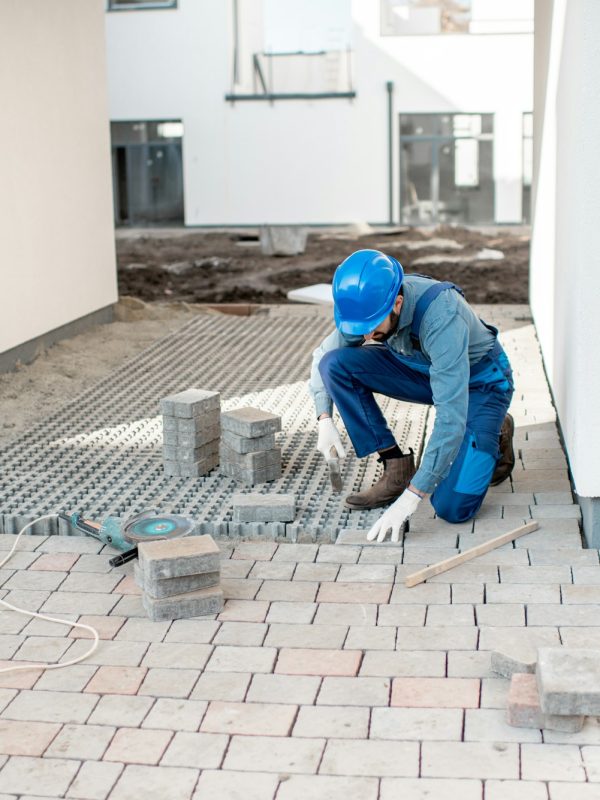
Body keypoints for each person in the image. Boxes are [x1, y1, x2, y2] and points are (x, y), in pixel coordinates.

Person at [309, 249, 515, 543]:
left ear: (398, 303)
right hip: (427, 372)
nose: (365, 338)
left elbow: (450, 417)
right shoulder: (370, 306)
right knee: (335, 365)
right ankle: (396, 468)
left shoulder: (443, 317)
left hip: (479, 386)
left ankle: (495, 430)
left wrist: (413, 497)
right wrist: (324, 417)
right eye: (359, 330)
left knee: (451, 507)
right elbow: (321, 357)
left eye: (372, 329)